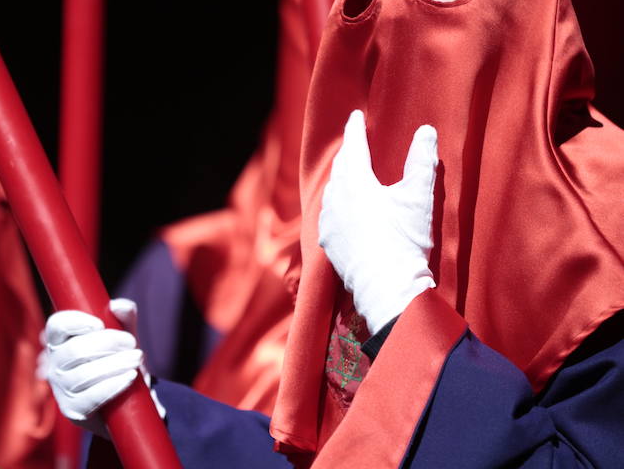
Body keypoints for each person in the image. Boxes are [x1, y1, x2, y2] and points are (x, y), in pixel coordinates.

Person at [42, 110, 624, 468]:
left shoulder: (605, 232)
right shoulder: (200, 260)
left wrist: (401, 308)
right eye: (364, 1)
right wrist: (148, 412)